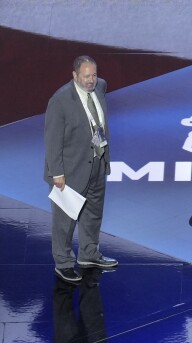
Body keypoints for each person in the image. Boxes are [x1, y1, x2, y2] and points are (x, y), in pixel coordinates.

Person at [44, 55, 118, 284]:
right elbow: (52, 139)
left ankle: (89, 254)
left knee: (93, 214)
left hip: (96, 164)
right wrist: (57, 173)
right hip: (70, 171)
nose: (91, 80)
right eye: (86, 76)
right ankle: (64, 263)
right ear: (74, 75)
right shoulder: (60, 100)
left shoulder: (100, 87)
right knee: (65, 221)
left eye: (94, 75)